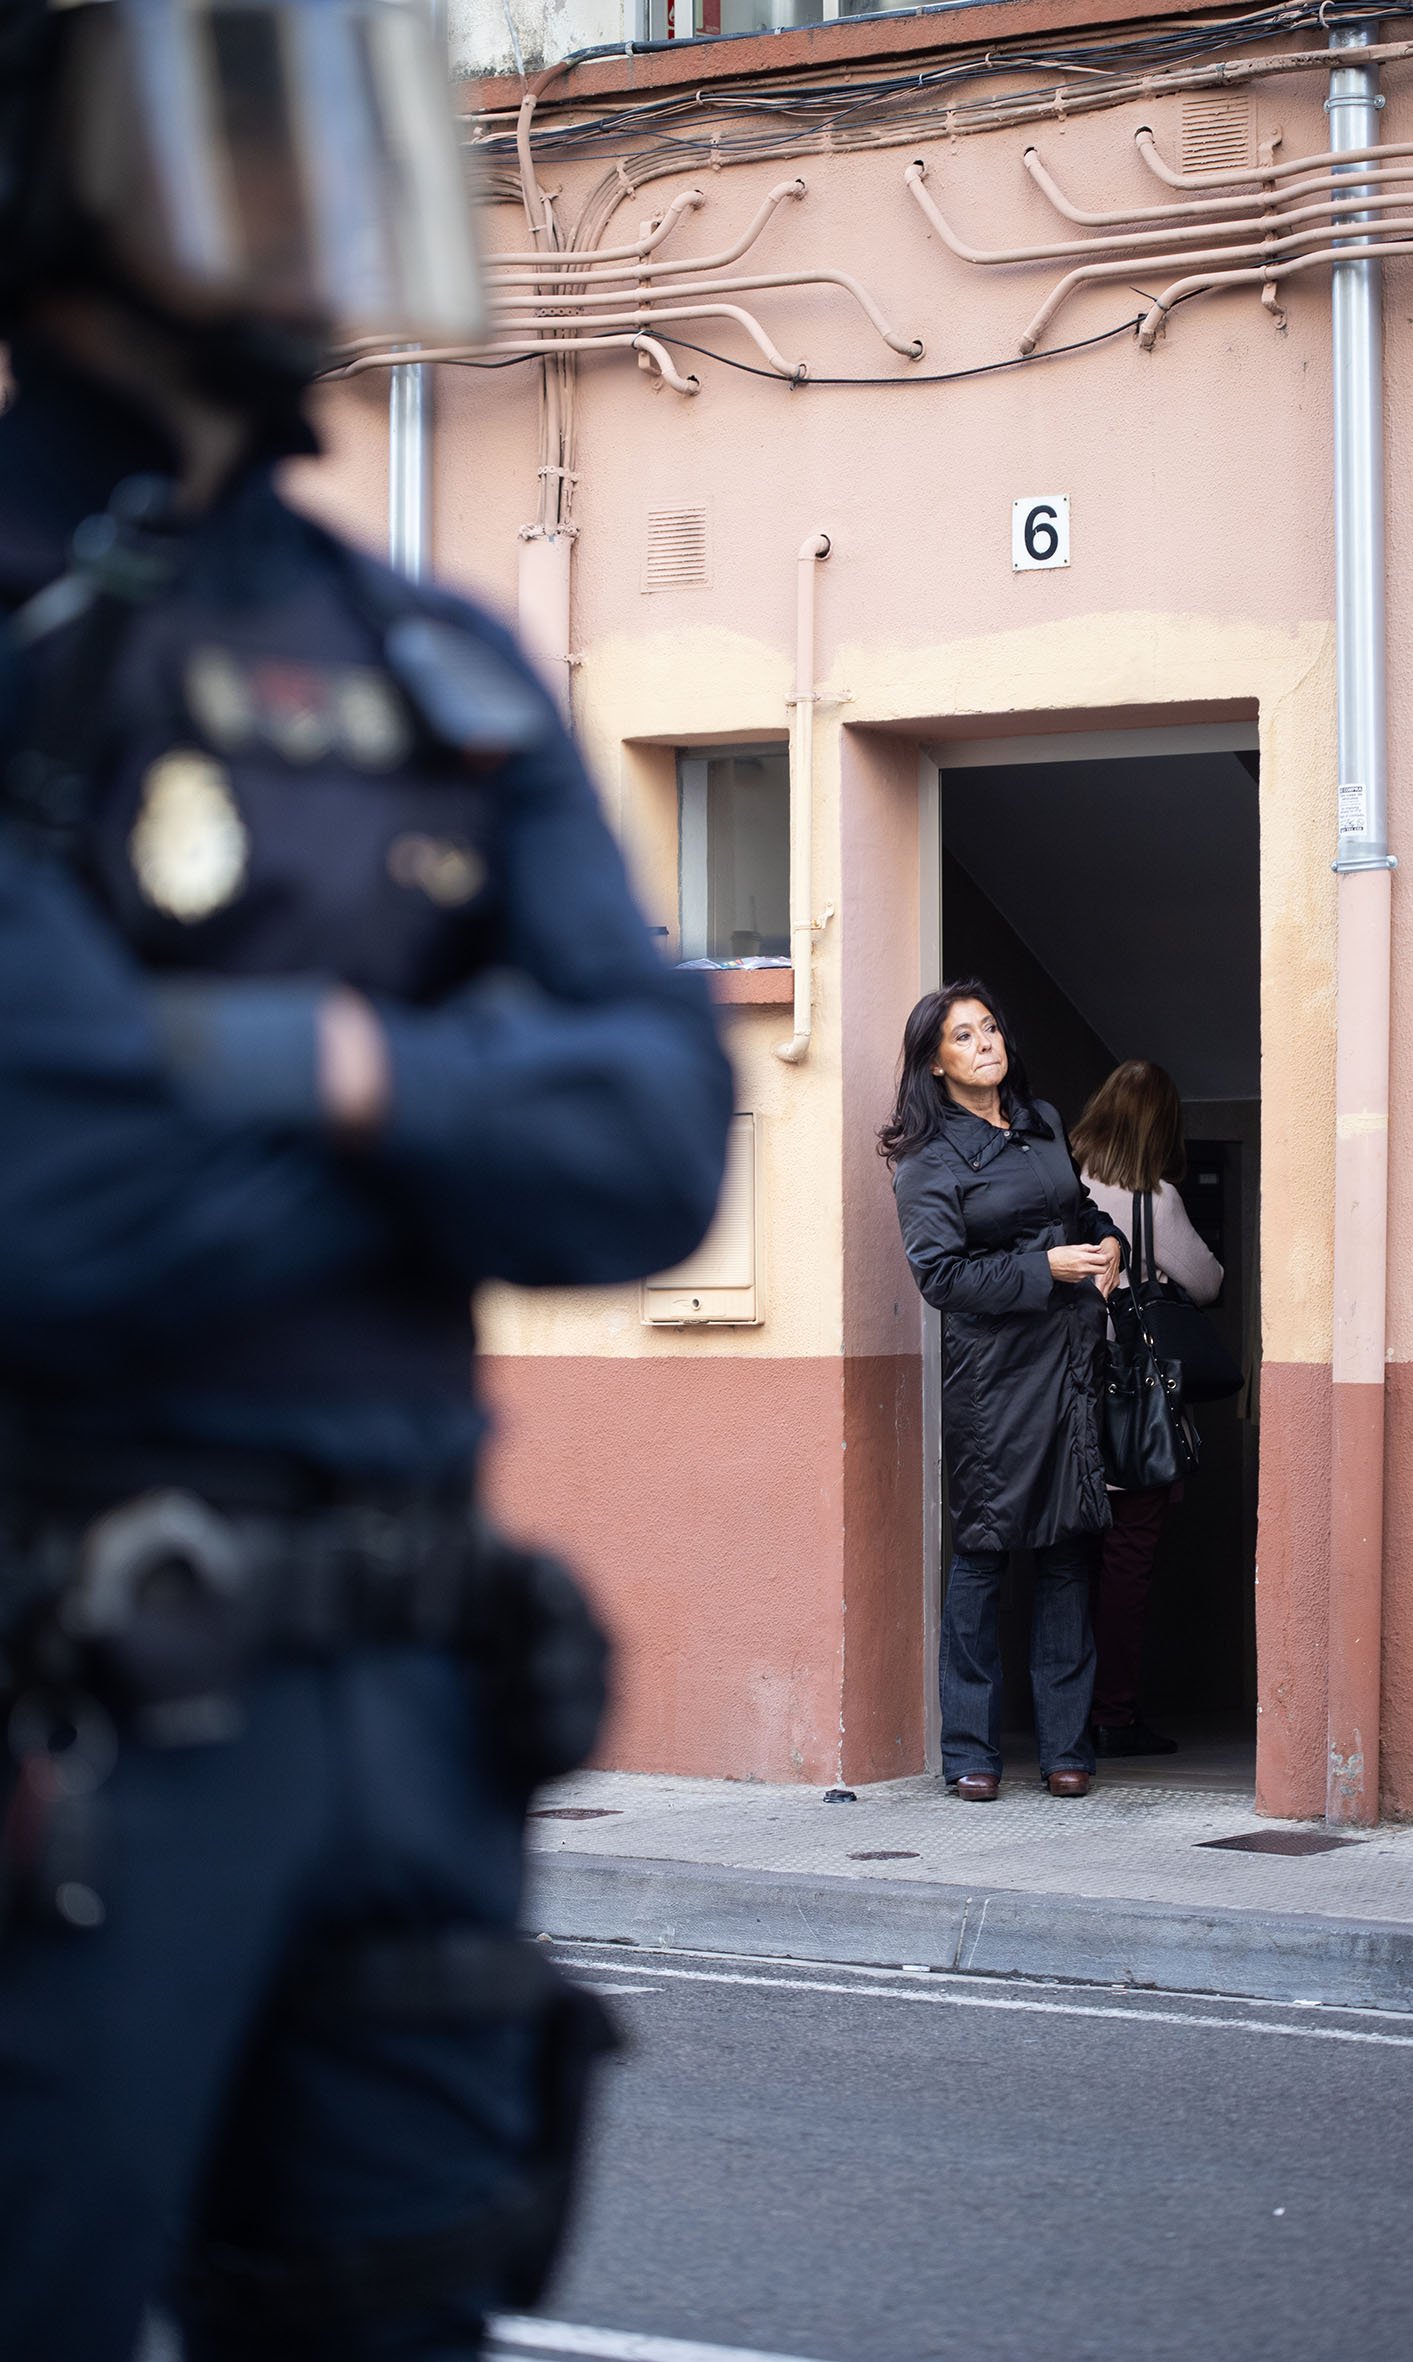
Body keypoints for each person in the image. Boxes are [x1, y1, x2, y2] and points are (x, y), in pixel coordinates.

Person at [0, 2, 733, 2356]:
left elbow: (661, 1143)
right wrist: (453, 1122)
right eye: (231, 116)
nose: (311, 179)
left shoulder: (436, 667)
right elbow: (53, 1200)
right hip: (75, 1711)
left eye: (330, 113)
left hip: (418, 1719)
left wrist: (296, 1061)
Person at [881, 983, 1122, 1803]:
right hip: (991, 1380)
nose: (984, 1043)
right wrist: (1042, 1268)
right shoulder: (926, 1158)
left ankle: (1066, 1751)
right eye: (963, 1035)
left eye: (989, 1028)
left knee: (1066, 1553)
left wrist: (1109, 1246)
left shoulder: (1040, 1120)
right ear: (934, 1062)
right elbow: (940, 1278)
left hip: (1069, 1364)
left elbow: (1078, 1208)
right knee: (984, 1555)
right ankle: (970, 1754)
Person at [1071, 1059, 1224, 1758]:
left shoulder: (1062, 1185)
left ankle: (1064, 1716)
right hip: (1132, 1405)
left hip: (1064, 1392)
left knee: (1066, 1563)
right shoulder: (1153, 1200)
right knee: (1127, 1562)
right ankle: (1113, 1713)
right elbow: (1208, 1280)